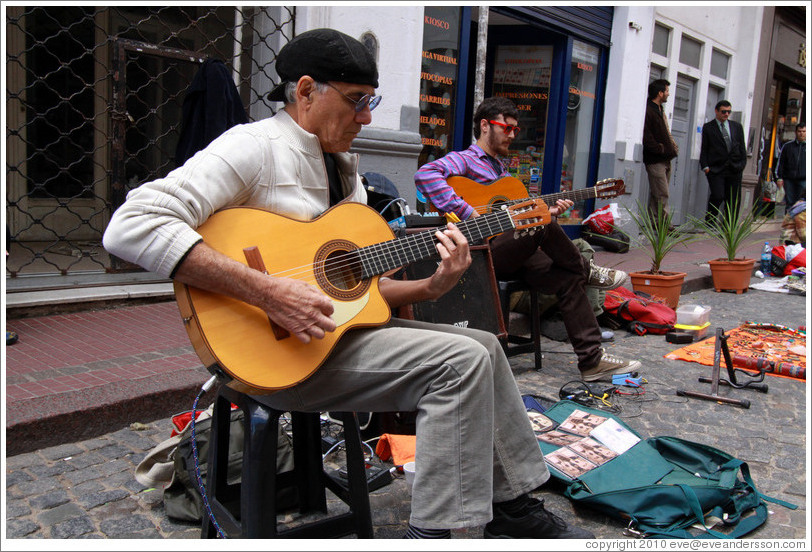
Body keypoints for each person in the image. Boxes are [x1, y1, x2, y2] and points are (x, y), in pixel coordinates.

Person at [103, 28, 593, 540]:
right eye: (357, 102)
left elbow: (358, 296)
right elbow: (130, 226)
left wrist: (431, 289)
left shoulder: (343, 169)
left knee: (486, 345)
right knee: (460, 363)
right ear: (307, 91)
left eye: (370, 102)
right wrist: (266, 291)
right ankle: (435, 534)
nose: (367, 118)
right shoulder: (251, 147)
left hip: (334, 337)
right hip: (278, 355)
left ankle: (508, 501)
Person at [414, 97, 641, 383]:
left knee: (566, 274)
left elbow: (523, 218)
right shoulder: (466, 160)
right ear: (485, 126)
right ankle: (589, 270)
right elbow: (425, 174)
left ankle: (592, 360)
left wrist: (552, 210)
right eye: (506, 128)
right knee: (538, 219)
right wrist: (470, 213)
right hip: (481, 252)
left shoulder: (504, 174)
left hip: (514, 253)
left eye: (515, 130)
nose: (511, 135)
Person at [699, 100, 747, 221]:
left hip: (734, 168)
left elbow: (742, 147)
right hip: (716, 169)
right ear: (716, 111)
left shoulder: (737, 127)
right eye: (723, 111)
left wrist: (742, 164)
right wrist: (705, 167)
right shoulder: (709, 127)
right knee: (718, 195)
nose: (726, 114)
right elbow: (704, 148)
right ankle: (710, 221)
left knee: (733, 200)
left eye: (728, 112)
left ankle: (729, 228)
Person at [642, 79, 678, 218]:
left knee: (657, 193)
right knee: (662, 193)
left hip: (666, 158)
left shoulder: (659, 109)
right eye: (667, 91)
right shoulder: (649, 110)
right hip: (655, 159)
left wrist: (672, 147)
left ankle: (654, 222)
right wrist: (660, 149)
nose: (668, 94)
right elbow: (646, 135)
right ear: (660, 93)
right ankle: (664, 225)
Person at [775, 122, 806, 208]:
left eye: (804, 131)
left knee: (802, 202)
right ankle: (789, 220)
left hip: (804, 179)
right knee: (789, 202)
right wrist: (779, 178)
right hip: (789, 179)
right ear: (796, 132)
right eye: (799, 131)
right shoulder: (788, 146)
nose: (801, 133)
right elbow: (781, 163)